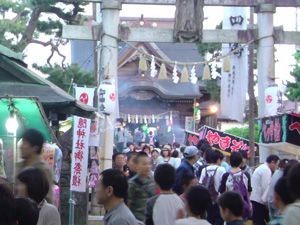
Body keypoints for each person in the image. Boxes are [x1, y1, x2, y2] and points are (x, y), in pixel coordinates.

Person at [17, 128, 53, 203]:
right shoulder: (19, 166)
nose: (21, 146)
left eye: (24, 143)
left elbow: (48, 199)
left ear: (35, 148)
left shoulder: (44, 170)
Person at [219, 152, 252, 219]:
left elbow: (222, 191)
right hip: (243, 205)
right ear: (240, 162)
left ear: (230, 162)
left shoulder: (226, 175)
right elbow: (249, 191)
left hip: (229, 206)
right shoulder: (246, 175)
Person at [250, 155, 280, 225]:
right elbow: (266, 188)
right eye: (276, 165)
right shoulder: (266, 170)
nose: (276, 167)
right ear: (272, 162)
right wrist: (268, 203)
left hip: (256, 199)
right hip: (259, 201)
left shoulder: (262, 168)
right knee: (260, 222)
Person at [199, 150, 226, 225]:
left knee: (209, 219)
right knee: (219, 219)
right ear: (218, 160)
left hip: (207, 199)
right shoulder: (221, 169)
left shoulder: (204, 169)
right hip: (219, 199)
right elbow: (224, 184)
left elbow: (201, 184)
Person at [128, 152, 156, 221]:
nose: (148, 166)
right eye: (144, 164)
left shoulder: (153, 180)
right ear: (136, 166)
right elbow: (128, 204)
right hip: (138, 220)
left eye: (149, 164)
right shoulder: (132, 183)